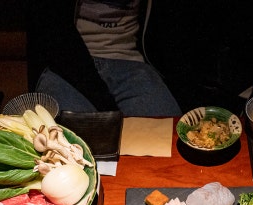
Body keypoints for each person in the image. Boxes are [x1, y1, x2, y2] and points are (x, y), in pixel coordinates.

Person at [25, 0, 182, 117]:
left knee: (170, 137)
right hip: (65, 65)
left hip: (131, 62)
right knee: (72, 143)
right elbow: (50, 31)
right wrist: (105, 103)